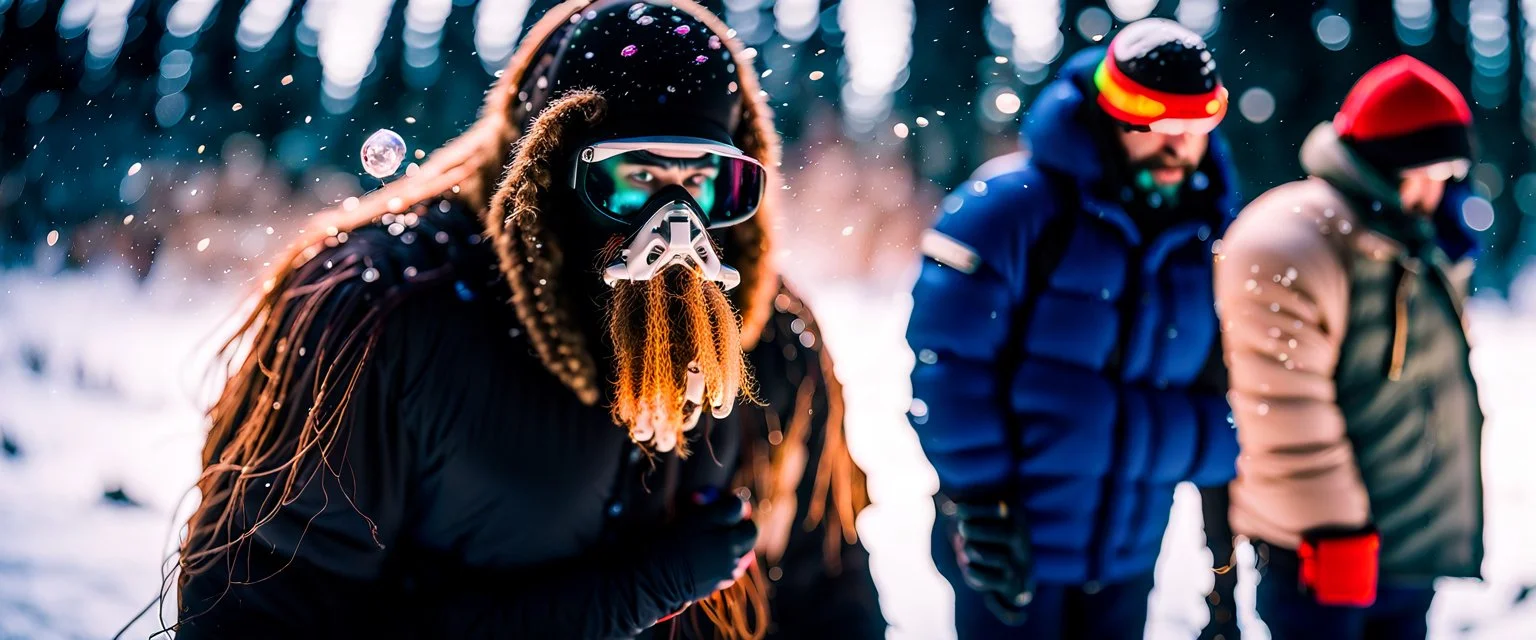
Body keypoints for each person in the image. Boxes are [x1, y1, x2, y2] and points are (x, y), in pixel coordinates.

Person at [173, 2, 884, 638]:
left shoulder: (773, 335)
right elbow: (269, 612)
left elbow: (829, 588)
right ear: (552, 167)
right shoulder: (381, 313)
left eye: (701, 181)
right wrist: (617, 600)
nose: (676, 229)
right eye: (635, 177)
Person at [906, 18, 1241, 639]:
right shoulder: (1011, 207)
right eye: (1157, 125)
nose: (1178, 146)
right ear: (1110, 113)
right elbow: (946, 365)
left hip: (1130, 555)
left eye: (1195, 128)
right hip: (1010, 548)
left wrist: (1215, 452)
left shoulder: (1209, 235)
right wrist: (979, 502)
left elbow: (1224, 384)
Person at [1215, 55, 1483, 640]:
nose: (1440, 187)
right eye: (1431, 167)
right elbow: (1282, 406)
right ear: (1384, 163)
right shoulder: (1296, 234)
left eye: (1451, 168)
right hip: (1323, 557)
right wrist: (1336, 533)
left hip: (1403, 543)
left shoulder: (1412, 237)